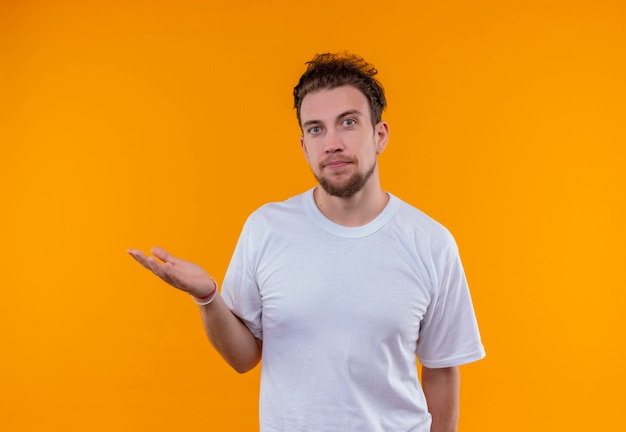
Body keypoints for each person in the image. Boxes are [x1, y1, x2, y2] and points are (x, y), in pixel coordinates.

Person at [128, 52, 485, 432]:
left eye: (348, 123)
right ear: (303, 146)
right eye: (316, 129)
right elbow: (243, 358)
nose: (332, 143)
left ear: (379, 135)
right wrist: (207, 297)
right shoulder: (266, 228)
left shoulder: (431, 243)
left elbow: (442, 372)